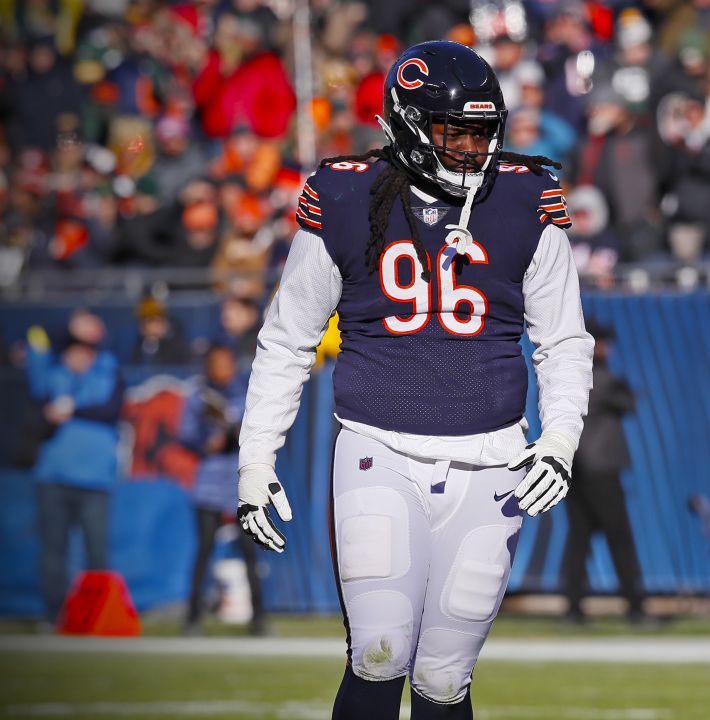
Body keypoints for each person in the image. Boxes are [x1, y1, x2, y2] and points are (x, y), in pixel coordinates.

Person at [235, 41, 592, 720]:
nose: (470, 150)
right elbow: (287, 339)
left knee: (443, 677)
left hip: (493, 458)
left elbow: (565, 340)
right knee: (378, 651)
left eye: (482, 132)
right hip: (378, 446)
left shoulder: (525, 195)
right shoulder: (345, 193)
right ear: (406, 123)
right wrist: (256, 460)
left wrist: (560, 440)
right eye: (453, 132)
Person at [25, 311, 124, 627]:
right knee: (53, 552)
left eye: (87, 347)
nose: (81, 354)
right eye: (75, 346)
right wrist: (67, 326)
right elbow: (34, 336)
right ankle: (53, 616)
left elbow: (111, 408)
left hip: (95, 479)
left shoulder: (107, 368)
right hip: (53, 476)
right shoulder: (53, 373)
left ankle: (97, 617)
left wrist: (72, 410)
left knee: (97, 552)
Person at [561, 320, 646, 625]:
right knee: (618, 538)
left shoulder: (568, 377)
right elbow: (627, 401)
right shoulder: (601, 378)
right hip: (598, 471)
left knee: (579, 539)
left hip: (576, 469)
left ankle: (573, 609)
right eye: (603, 343)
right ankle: (635, 607)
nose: (608, 349)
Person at [179, 344, 266, 636]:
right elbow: (186, 434)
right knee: (203, 551)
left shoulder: (247, 393)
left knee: (250, 552)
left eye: (225, 362)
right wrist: (207, 442)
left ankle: (260, 620)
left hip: (242, 484)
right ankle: (192, 617)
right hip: (210, 483)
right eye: (215, 363)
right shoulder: (199, 396)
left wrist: (232, 432)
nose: (221, 368)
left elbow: (258, 430)